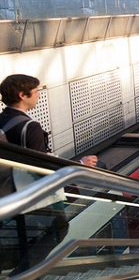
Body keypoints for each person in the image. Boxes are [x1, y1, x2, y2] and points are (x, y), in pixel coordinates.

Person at [0, 74, 98, 276]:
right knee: (59, 227)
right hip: (29, 193)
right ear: (22, 95)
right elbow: (40, 167)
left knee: (25, 231)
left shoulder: (2, 119)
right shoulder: (31, 127)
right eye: (36, 92)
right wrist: (80, 165)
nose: (38, 96)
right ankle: (24, 273)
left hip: (8, 193)